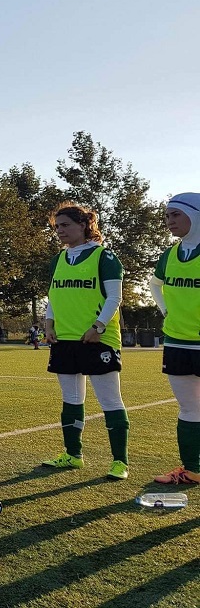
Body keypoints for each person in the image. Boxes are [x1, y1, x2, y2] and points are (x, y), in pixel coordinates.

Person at [42, 203, 128, 480]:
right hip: (64, 338)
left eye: (65, 225)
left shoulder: (106, 257)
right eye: (57, 227)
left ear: (83, 225)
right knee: (71, 399)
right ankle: (73, 455)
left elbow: (115, 298)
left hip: (97, 338)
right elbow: (54, 295)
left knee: (110, 400)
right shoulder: (58, 259)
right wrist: (49, 321)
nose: (60, 231)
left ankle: (120, 462)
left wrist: (98, 326)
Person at [150, 193, 200, 485]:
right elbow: (155, 285)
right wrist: (166, 309)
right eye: (167, 216)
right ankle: (192, 470)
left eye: (176, 215)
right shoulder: (170, 255)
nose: (169, 221)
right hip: (177, 342)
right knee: (189, 408)